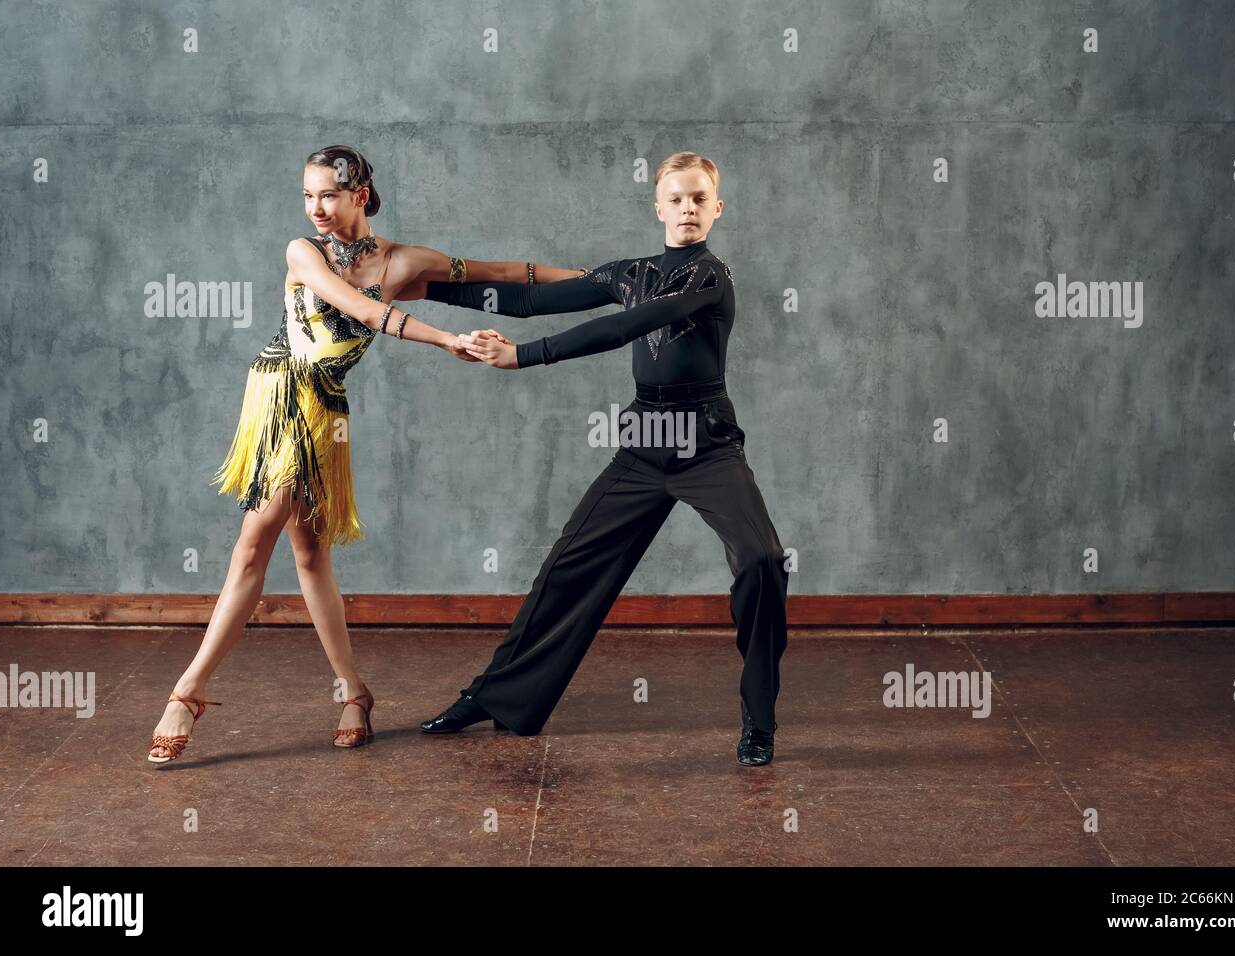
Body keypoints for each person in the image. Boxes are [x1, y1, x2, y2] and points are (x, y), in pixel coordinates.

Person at [146, 144, 578, 763]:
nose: (316, 207)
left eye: (328, 194)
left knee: (310, 553)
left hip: (325, 412)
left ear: (361, 196)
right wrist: (446, 339)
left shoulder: (403, 262)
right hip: (277, 396)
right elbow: (365, 311)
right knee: (254, 544)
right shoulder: (304, 252)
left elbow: (505, 274)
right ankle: (188, 692)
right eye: (307, 195)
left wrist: (603, 280)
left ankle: (354, 692)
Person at [418, 152, 789, 765]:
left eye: (700, 199)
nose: (688, 209)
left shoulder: (710, 277)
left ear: (717, 208)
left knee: (762, 561)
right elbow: (531, 301)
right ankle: (493, 697)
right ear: (658, 207)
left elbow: (624, 329)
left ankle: (760, 719)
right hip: (645, 444)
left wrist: (523, 358)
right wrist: (426, 287)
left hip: (706, 445)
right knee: (566, 569)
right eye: (677, 199)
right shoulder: (629, 271)